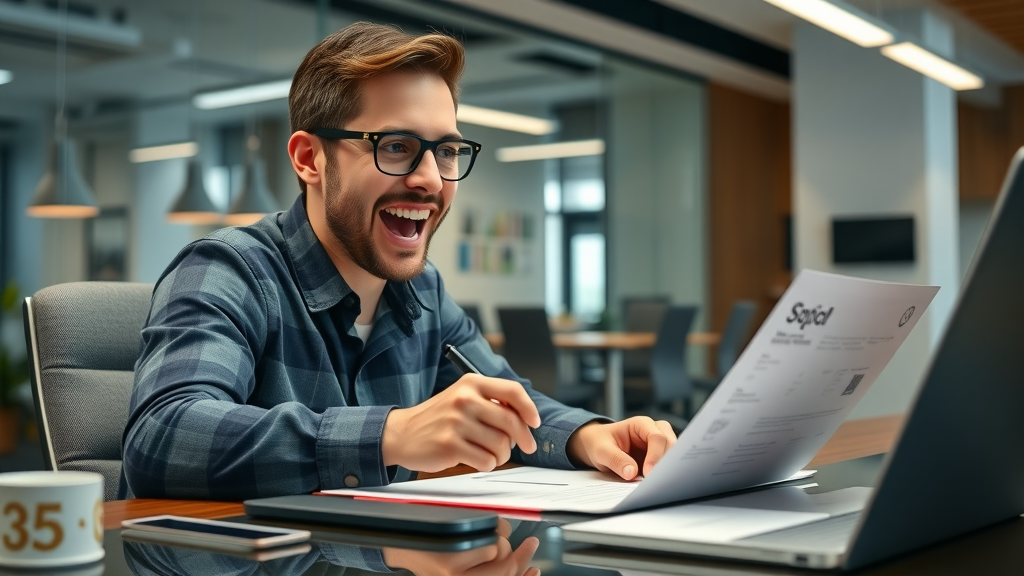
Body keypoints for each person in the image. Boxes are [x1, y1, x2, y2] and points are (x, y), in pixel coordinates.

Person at [120, 22, 676, 500]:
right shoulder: (229, 270)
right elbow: (163, 436)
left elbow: (508, 399)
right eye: (395, 146)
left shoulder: (422, 293)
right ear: (310, 159)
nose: (432, 179)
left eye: (447, 151)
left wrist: (588, 437)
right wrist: (391, 435)